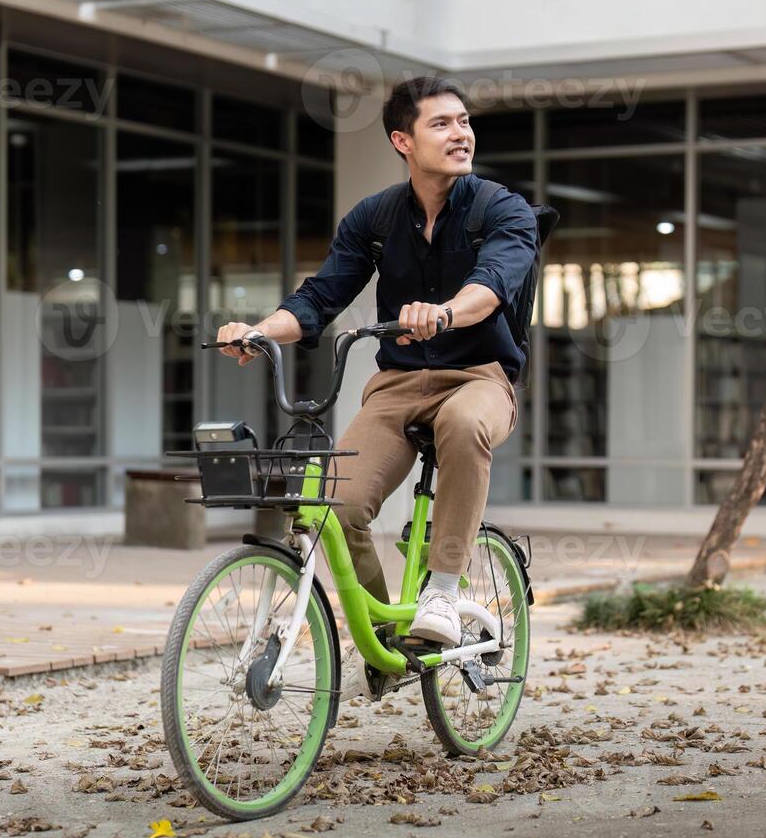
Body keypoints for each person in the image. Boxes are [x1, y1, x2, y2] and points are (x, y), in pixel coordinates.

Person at [215, 75, 538, 649]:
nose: (460, 134)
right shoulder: (376, 217)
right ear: (403, 141)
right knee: (334, 507)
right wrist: (258, 332)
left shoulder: (502, 208)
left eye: (464, 121)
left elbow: (491, 287)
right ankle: (386, 630)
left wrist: (443, 313)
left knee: (464, 424)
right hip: (397, 385)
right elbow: (319, 298)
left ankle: (442, 586)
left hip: (480, 378)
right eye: (441, 124)